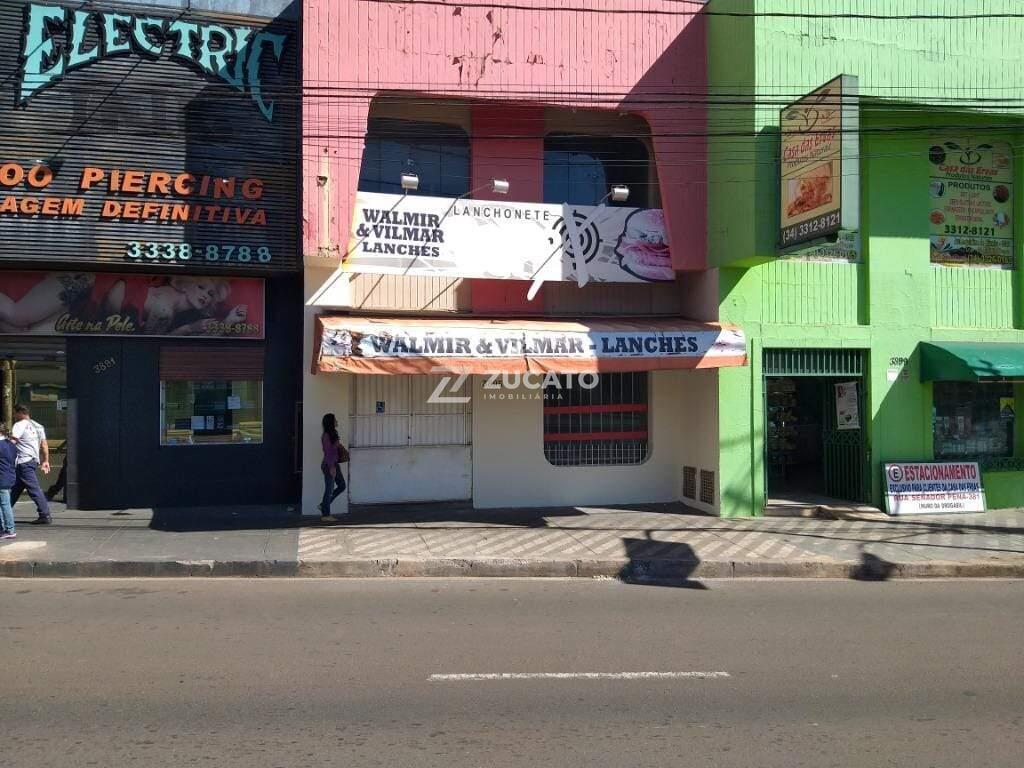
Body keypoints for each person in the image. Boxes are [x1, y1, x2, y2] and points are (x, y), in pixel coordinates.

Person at [9, 404, 51, 525]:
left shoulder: (19, 425)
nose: (14, 416)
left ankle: (45, 515)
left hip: (23, 462)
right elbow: (44, 445)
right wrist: (46, 461)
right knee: (15, 489)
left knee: (34, 489)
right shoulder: (38, 426)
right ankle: (3, 512)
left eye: (15, 413)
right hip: (32, 461)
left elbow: (12, 442)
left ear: (20, 413)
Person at [319, 413, 349, 522]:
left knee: (342, 486)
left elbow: (334, 450)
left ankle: (323, 505)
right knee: (329, 490)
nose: (337, 421)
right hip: (329, 465)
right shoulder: (326, 435)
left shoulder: (333, 434)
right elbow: (329, 453)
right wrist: (332, 467)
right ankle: (326, 515)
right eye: (335, 419)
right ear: (330, 422)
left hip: (334, 464)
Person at [0, 423, 18, 540]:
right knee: (3, 503)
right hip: (9, 476)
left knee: (5, 504)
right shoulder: (11, 445)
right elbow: (15, 461)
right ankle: (4, 529)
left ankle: (9, 529)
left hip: (1, 478)